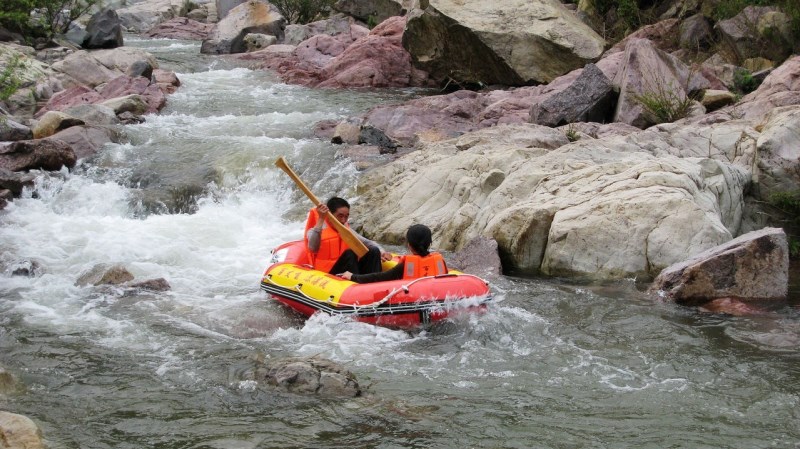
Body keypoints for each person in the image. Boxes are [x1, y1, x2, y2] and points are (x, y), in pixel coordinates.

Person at [305, 197, 392, 275]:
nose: (343, 220)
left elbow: (368, 243)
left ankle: (373, 283)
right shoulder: (316, 229)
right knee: (350, 253)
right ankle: (356, 284)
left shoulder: (346, 229)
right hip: (328, 274)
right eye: (340, 216)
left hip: (346, 272)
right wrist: (321, 218)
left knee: (374, 250)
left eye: (346, 216)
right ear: (330, 215)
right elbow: (312, 248)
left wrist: (382, 252)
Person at [339, 224, 448, 284]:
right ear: (430, 243)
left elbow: (380, 277)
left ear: (409, 245)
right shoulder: (439, 261)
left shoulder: (407, 265)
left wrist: (353, 276)